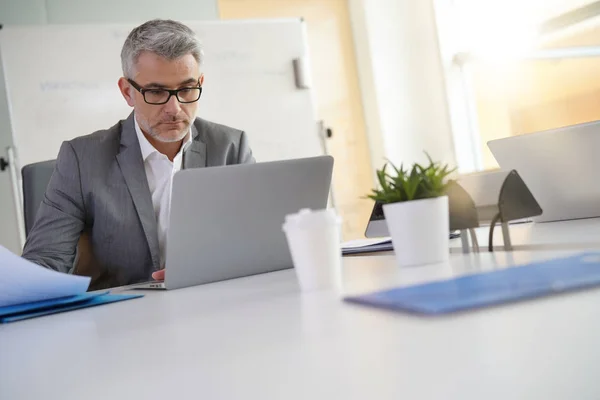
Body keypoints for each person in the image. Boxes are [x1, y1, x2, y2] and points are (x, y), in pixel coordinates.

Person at [22, 19, 255, 290]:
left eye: (186, 89)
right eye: (156, 92)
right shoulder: (81, 159)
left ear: (200, 83)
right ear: (127, 92)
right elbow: (45, 262)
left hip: (211, 302)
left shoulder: (230, 147)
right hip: (121, 317)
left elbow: (254, 243)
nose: (175, 108)